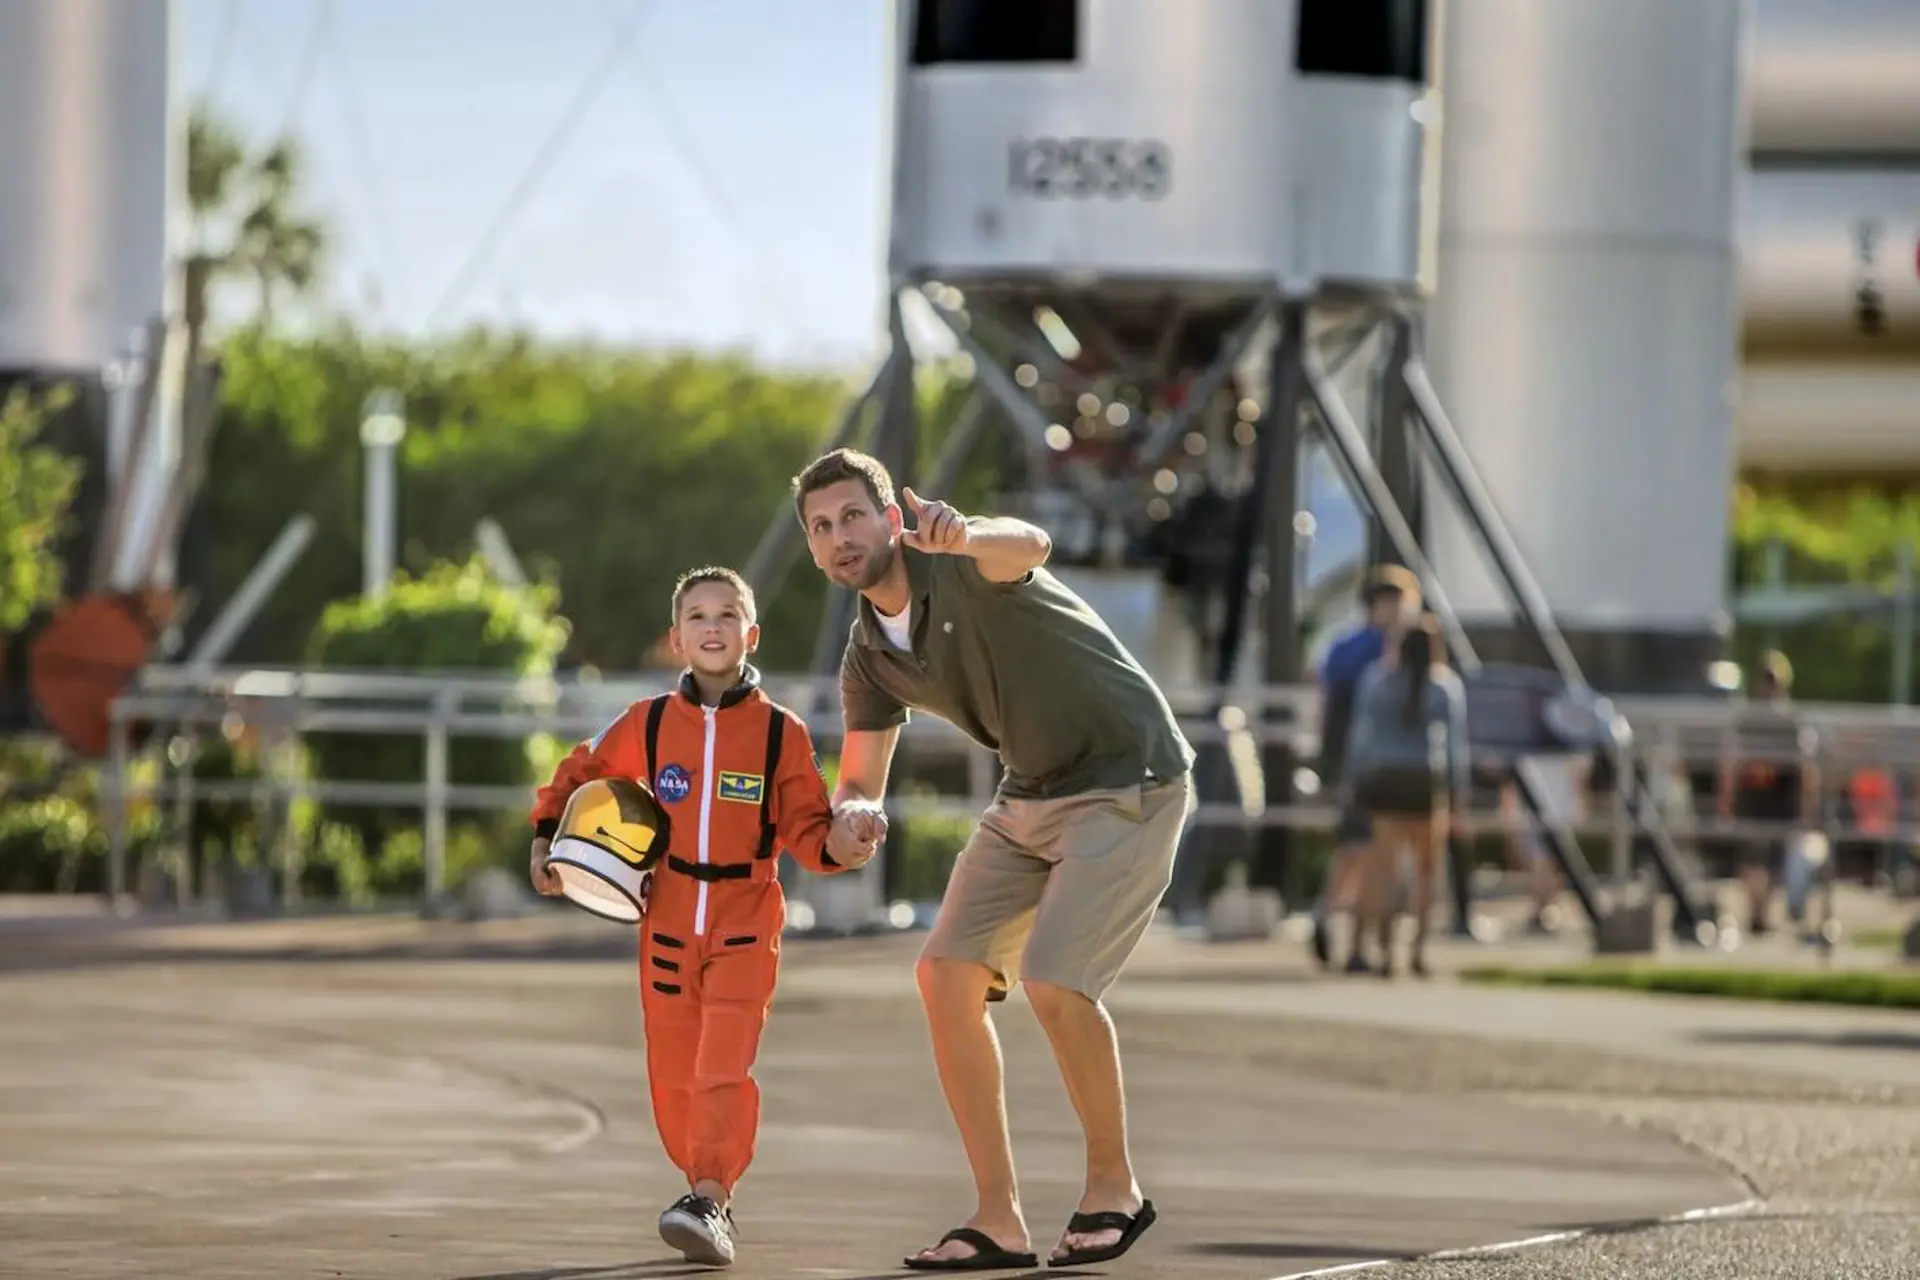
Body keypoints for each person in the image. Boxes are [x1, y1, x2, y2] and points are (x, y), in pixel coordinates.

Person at [790, 447, 1195, 1272]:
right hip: (1030, 792)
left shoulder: (966, 563)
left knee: (1055, 981)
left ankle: (1113, 1188)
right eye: (822, 527)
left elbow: (1032, 546)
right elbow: (861, 779)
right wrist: (855, 816)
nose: (840, 537)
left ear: (892, 519)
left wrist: (966, 532)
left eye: (853, 516)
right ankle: (997, 1219)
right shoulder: (869, 656)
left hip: (1129, 777)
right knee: (944, 977)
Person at [527, 566, 877, 1268]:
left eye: (726, 615)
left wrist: (848, 838)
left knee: (724, 1063)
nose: (712, 626)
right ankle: (698, 1189)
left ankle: (712, 1195)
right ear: (676, 639)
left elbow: (811, 829)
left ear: (751, 634)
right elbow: (580, 772)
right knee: (675, 1072)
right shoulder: (647, 723)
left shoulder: (781, 733)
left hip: (746, 915)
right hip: (666, 912)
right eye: (697, 616)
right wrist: (546, 839)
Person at [1340, 614, 1469, 977]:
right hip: (1427, 782)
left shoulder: (1378, 681)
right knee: (1427, 870)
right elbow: (1457, 748)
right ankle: (1418, 949)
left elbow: (1360, 738)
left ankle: (1384, 951)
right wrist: (1459, 794)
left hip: (1386, 781)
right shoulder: (1445, 687)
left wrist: (1354, 782)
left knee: (1385, 869)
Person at [1310, 565, 1420, 971]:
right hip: (1365, 767)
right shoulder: (1375, 652)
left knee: (1368, 853)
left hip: (1372, 765)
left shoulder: (1348, 648)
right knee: (1364, 852)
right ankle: (1344, 928)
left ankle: (1343, 926)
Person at [1717, 649, 1819, 936]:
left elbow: (1805, 766)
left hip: (1777, 800)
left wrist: (1807, 800)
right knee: (1756, 860)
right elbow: (1731, 762)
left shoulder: (1788, 721)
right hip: (1756, 799)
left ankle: (1759, 913)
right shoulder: (1756, 720)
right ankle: (1756, 913)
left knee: (1768, 861)